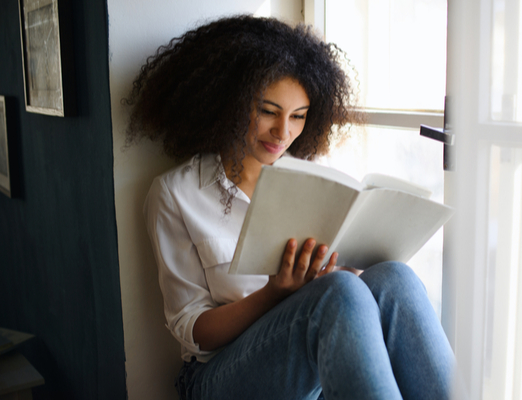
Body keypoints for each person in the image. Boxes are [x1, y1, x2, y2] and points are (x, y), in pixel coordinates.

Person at [125, 14, 454, 400]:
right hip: (216, 373)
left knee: (393, 277)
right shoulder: (175, 194)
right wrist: (275, 293)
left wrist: (342, 265)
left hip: (304, 345)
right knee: (341, 292)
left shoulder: (313, 181)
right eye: (268, 111)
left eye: (298, 117)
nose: (284, 133)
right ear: (230, 103)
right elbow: (193, 331)